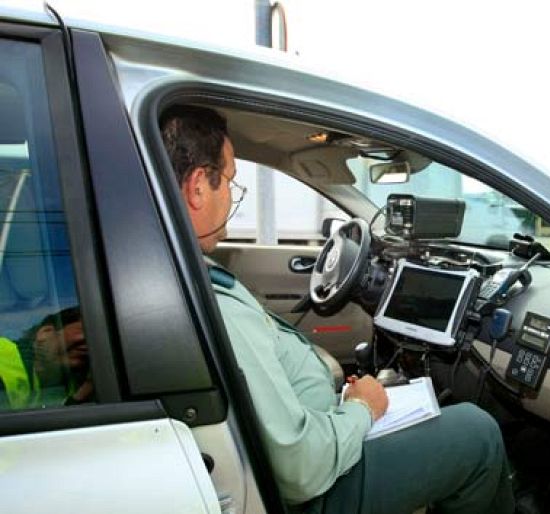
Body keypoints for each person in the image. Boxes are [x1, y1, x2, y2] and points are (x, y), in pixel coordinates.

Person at [160, 105, 514, 514]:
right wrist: (362, 409)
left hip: (319, 434)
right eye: (230, 182)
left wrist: (347, 406)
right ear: (198, 187)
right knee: (477, 430)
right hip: (316, 489)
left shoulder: (182, 272)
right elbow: (301, 469)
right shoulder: (218, 306)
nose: (233, 196)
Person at [0, 306, 92, 409]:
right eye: (85, 331)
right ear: (45, 332)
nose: (91, 343)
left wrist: (82, 394)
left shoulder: (72, 383)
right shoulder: (3, 359)